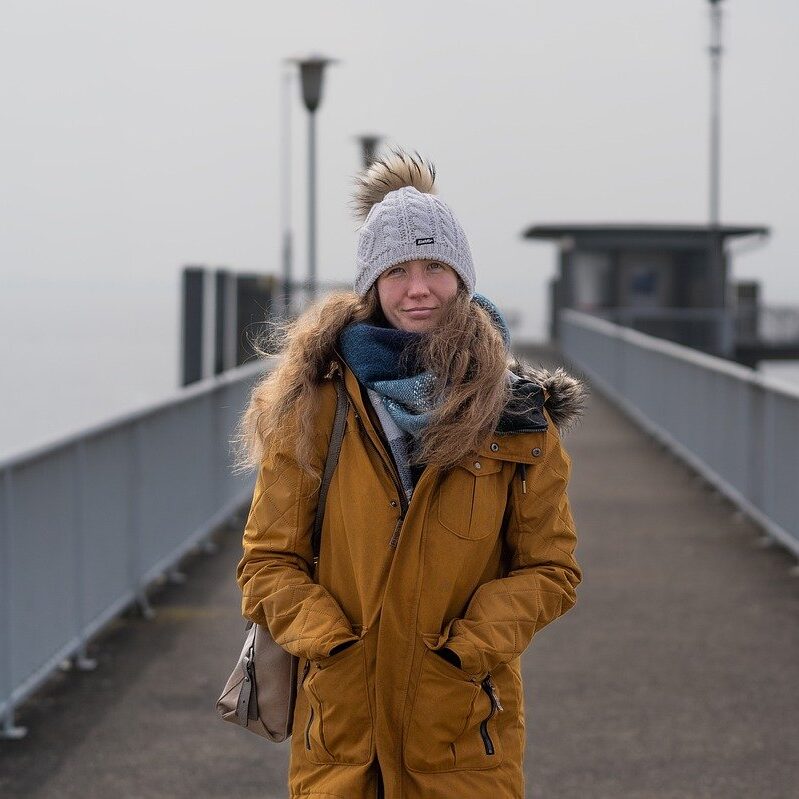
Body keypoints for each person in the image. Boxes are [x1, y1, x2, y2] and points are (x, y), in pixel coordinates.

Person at [233, 147, 587, 799]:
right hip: (342, 735)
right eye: (396, 269)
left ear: (462, 277)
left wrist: (465, 648)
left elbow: (550, 568)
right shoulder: (313, 404)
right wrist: (335, 645)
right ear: (371, 283)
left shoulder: (516, 410)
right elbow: (266, 563)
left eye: (433, 266)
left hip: (462, 737)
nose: (416, 287)